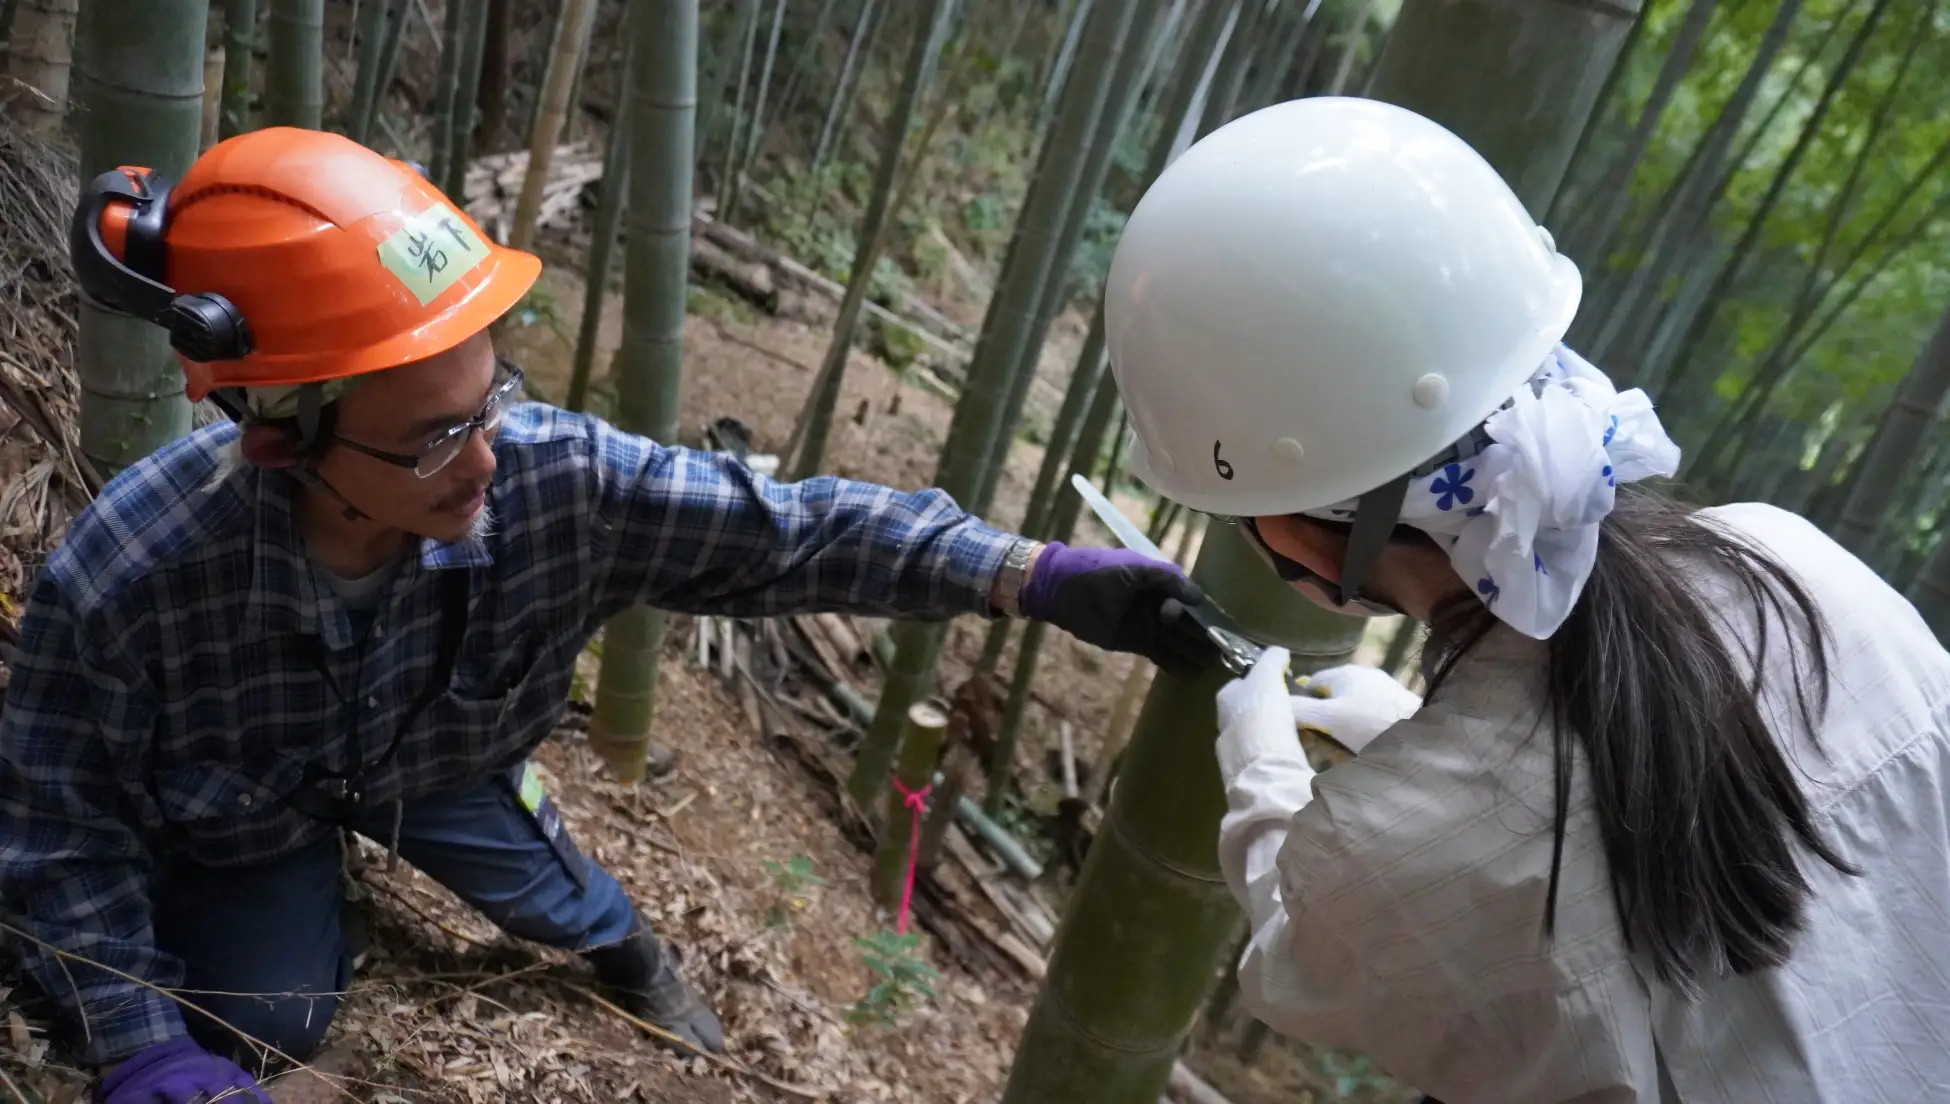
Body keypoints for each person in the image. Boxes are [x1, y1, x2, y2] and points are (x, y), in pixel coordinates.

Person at [0, 128, 1221, 1103]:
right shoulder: (138, 574)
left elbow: (789, 529)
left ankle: (627, 949)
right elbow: (55, 822)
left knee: (565, 899)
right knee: (270, 1018)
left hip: (447, 759)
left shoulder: (552, 479)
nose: (488, 458)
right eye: (437, 435)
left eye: (492, 400)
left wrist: (1028, 576)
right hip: (253, 806)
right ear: (279, 433)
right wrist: (137, 1039)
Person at [1103, 96, 1950, 1103]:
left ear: (1286, 527)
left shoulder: (1388, 850)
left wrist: (1264, 776)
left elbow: (1301, 961)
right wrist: (1424, 747)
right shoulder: (1800, 565)